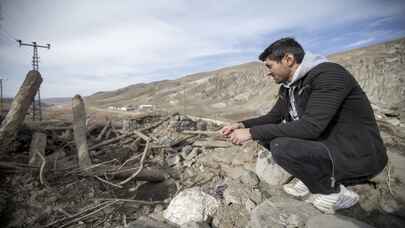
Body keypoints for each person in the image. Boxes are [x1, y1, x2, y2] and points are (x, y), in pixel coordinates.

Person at [219, 37, 387, 214]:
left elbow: (311, 127)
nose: (267, 73)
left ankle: (335, 192)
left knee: (280, 145)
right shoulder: (289, 87)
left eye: (269, 66)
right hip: (330, 146)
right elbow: (274, 117)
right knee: (265, 136)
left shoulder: (329, 75)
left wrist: (251, 132)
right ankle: (313, 178)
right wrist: (241, 124)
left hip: (359, 153)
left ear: (288, 60)